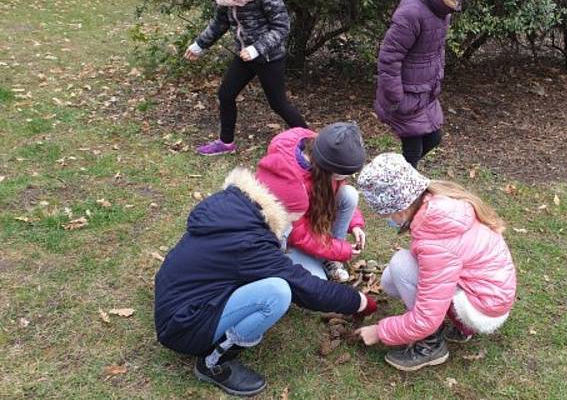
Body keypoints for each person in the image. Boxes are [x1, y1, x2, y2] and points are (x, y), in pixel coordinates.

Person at [154, 167, 377, 396]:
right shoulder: (250, 244)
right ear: (278, 211)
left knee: (268, 282)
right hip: (183, 326)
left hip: (177, 300)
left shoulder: (233, 207)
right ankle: (213, 363)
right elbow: (306, 287)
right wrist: (358, 301)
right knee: (277, 292)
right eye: (292, 220)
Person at [354, 153, 516, 371]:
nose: (388, 221)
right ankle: (461, 327)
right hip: (491, 295)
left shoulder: (436, 241)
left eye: (387, 216)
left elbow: (426, 318)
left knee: (401, 264)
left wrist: (380, 331)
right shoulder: (438, 204)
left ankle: (431, 346)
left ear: (401, 210)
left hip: (482, 307)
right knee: (393, 278)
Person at [184, 0, 307, 156]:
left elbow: (281, 27)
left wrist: (256, 48)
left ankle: (309, 141)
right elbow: (219, 24)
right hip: (244, 57)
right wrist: (199, 45)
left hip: (269, 58)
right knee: (226, 94)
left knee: (278, 103)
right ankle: (226, 143)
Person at [375, 0, 471, 167]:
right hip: (405, 95)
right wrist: (395, 96)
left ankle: (393, 176)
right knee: (413, 150)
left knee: (434, 138)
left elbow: (436, 47)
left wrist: (438, 76)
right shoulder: (411, 13)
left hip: (425, 91)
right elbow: (389, 57)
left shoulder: (442, 5)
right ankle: (408, 194)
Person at [256, 122, 367, 282]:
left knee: (349, 194)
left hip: (308, 225)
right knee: (317, 279)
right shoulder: (289, 183)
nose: (345, 178)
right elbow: (298, 235)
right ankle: (320, 255)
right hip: (285, 239)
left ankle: (330, 258)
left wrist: (354, 224)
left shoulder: (322, 154)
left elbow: (336, 188)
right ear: (328, 169)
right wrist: (342, 250)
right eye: (342, 175)